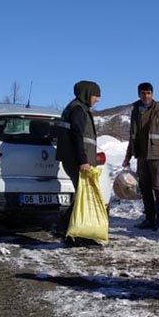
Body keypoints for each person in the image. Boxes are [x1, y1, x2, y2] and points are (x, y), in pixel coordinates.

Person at [56, 80, 102, 245]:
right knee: (82, 196)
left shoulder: (75, 107)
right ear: (88, 94)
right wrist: (83, 161)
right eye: (96, 95)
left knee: (81, 196)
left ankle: (69, 229)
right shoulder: (78, 110)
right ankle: (71, 231)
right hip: (78, 160)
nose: (98, 99)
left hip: (74, 158)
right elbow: (77, 136)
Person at [122, 82, 159, 230]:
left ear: (152, 94)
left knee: (158, 187)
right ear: (139, 94)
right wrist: (128, 156)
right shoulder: (136, 111)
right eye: (143, 93)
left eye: (149, 93)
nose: (146, 96)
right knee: (145, 188)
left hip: (157, 155)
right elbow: (132, 136)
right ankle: (149, 218)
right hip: (141, 155)